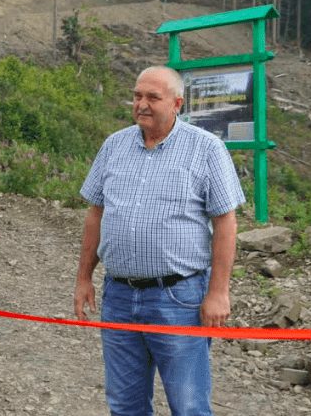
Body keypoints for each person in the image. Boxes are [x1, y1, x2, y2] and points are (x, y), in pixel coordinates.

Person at [74, 65, 245, 416]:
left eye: (153, 97)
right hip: (119, 296)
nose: (142, 104)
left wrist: (218, 292)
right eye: (137, 96)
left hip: (178, 299)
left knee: (188, 405)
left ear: (177, 103)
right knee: (124, 405)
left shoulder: (206, 149)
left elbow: (225, 222)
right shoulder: (114, 145)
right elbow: (96, 213)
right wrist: (82, 278)